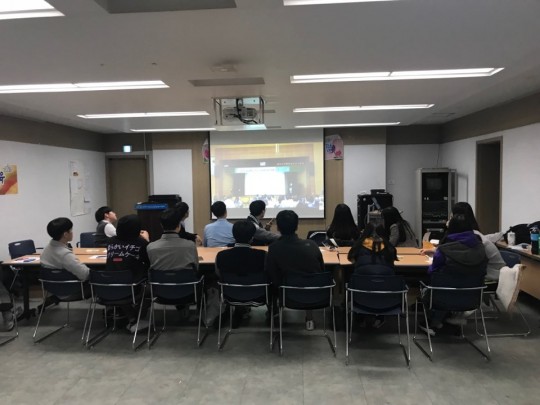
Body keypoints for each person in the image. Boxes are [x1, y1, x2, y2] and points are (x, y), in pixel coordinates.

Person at [420, 214, 488, 335]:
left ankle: (433, 322)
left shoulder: (444, 250)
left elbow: (432, 272)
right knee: (452, 284)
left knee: (433, 286)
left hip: (442, 298)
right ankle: (449, 319)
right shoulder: (480, 248)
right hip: (472, 298)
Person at [266, 210, 325, 331]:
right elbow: (321, 270)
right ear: (297, 226)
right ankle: (309, 318)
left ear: (278, 227)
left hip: (286, 295)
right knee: (308, 278)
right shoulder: (312, 245)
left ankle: (274, 314)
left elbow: (271, 274)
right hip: (312, 293)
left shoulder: (274, 248)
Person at [215, 220, 268, 327]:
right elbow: (268, 274)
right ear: (252, 238)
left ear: (233, 236)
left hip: (230, 295)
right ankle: (273, 315)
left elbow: (218, 275)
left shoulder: (221, 255)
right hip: (258, 295)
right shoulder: (263, 255)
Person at [347, 222, 396, 328]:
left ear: (365, 233)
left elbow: (351, 259)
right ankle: (380, 317)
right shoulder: (389, 247)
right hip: (386, 293)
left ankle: (360, 317)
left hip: (360, 293)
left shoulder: (358, 246)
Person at [106, 214, 150, 332]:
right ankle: (137, 319)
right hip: (133, 286)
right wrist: (146, 240)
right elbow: (149, 261)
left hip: (109, 287)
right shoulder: (141, 243)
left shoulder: (110, 242)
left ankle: (131, 318)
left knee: (121, 285)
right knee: (150, 289)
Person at [451, 202, 505, 281]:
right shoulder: (471, 234)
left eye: (451, 217)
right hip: (487, 271)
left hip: (494, 274)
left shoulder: (474, 238)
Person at [147, 208, 199, 273]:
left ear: (161, 225)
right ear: (179, 226)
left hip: (160, 279)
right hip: (185, 279)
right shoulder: (190, 245)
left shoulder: (150, 247)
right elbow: (196, 268)